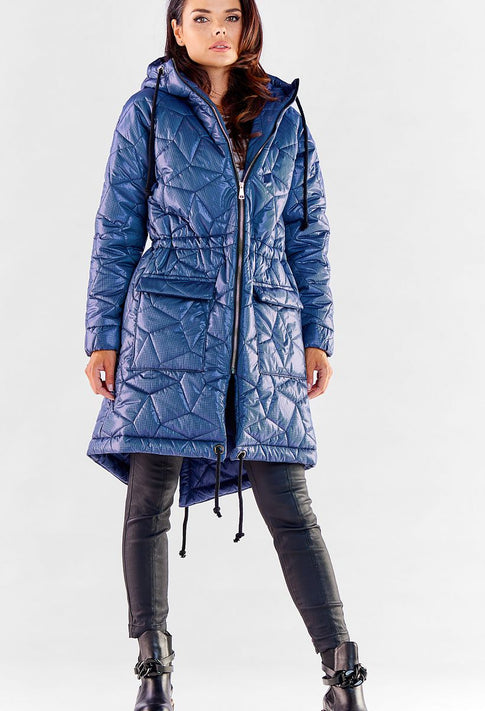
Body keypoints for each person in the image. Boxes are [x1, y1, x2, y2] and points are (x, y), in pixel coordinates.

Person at [84, 1, 369, 709]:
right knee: (150, 493)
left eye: (232, 16)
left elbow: (307, 234)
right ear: (176, 28)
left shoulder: (283, 116)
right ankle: (153, 666)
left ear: (248, 27)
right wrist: (103, 334)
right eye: (202, 15)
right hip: (165, 325)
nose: (218, 29)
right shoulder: (148, 112)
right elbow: (116, 228)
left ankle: (342, 672)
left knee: (289, 501)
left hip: (266, 330)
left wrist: (317, 333)